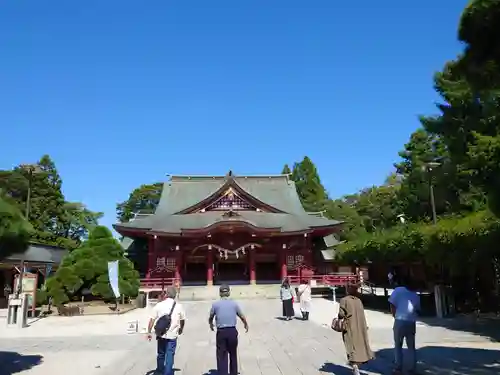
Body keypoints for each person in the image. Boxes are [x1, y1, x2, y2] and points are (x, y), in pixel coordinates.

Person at [209, 284, 249, 375]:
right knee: (233, 353)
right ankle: (233, 372)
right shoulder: (234, 304)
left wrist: (210, 324)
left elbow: (211, 316)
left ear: (220, 293)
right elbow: (241, 315)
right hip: (232, 331)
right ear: (229, 293)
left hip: (221, 332)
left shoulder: (215, 304)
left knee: (221, 354)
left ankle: (223, 372)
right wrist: (245, 324)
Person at [147, 286, 186, 375]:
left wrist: (149, 332)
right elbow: (182, 320)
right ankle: (168, 373)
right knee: (170, 354)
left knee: (161, 353)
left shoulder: (159, 305)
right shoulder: (179, 306)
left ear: (166, 294)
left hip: (161, 334)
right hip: (172, 335)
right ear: (175, 295)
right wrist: (181, 329)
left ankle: (160, 370)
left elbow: (152, 319)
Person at [336, 283, 373, 375]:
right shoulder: (358, 300)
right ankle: (358, 364)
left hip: (350, 326)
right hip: (360, 326)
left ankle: (355, 366)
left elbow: (341, 314)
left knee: (351, 345)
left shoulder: (344, 300)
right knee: (359, 345)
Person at [389, 276, 420, 375]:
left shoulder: (398, 290)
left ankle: (398, 367)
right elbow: (417, 310)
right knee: (411, 346)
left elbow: (392, 304)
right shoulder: (415, 295)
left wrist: (394, 315)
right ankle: (412, 368)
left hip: (400, 320)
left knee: (398, 345)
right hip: (411, 321)